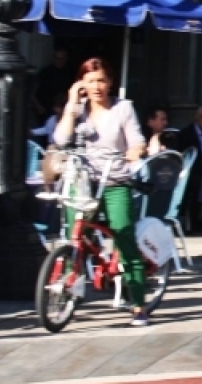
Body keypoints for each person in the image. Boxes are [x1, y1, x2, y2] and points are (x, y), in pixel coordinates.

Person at [53, 58, 150, 327]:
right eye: (91, 80)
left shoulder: (123, 108)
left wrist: (134, 151)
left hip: (114, 179)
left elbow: (137, 140)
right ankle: (75, 286)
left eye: (102, 80)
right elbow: (60, 139)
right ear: (82, 83)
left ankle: (139, 302)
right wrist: (72, 104)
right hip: (83, 180)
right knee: (76, 233)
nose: (97, 86)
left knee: (122, 233)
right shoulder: (79, 109)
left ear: (110, 83)